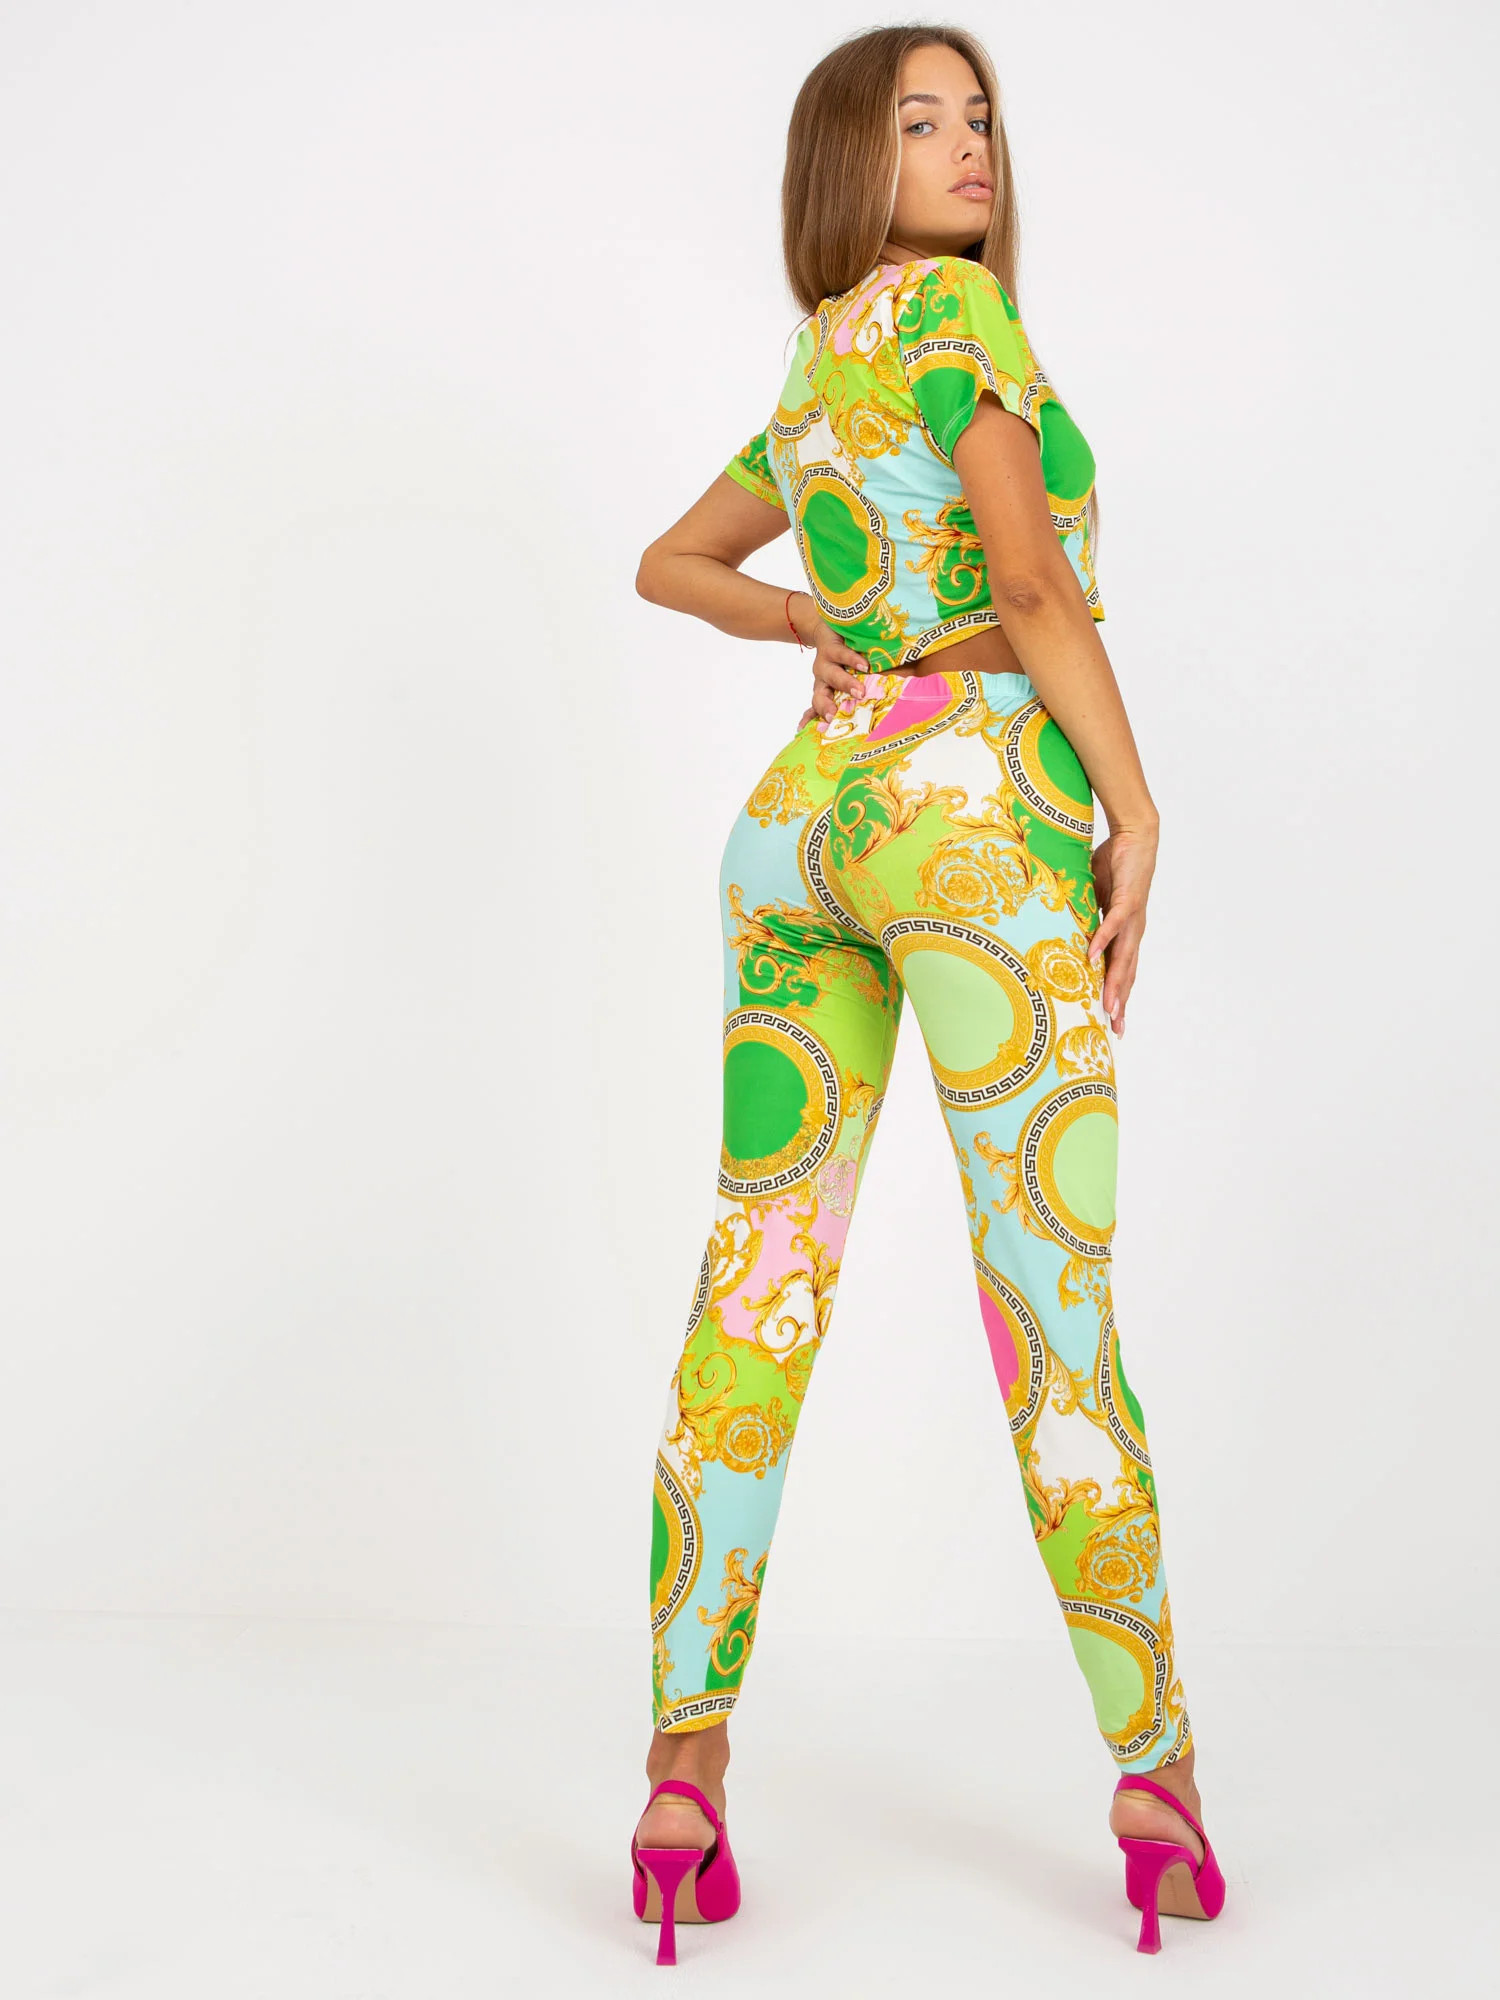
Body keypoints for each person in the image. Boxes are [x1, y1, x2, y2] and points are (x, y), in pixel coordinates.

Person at [626, 23, 1224, 1964]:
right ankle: (1156, 1777)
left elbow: (668, 563)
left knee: (756, 1284)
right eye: (922, 120)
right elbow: (1032, 589)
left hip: (805, 826)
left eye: (982, 116)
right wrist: (1136, 809)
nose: (971, 146)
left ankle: (682, 1773)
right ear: (849, 160)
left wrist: (804, 614)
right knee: (1054, 1313)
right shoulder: (961, 321)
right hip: (970, 831)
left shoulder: (818, 366)